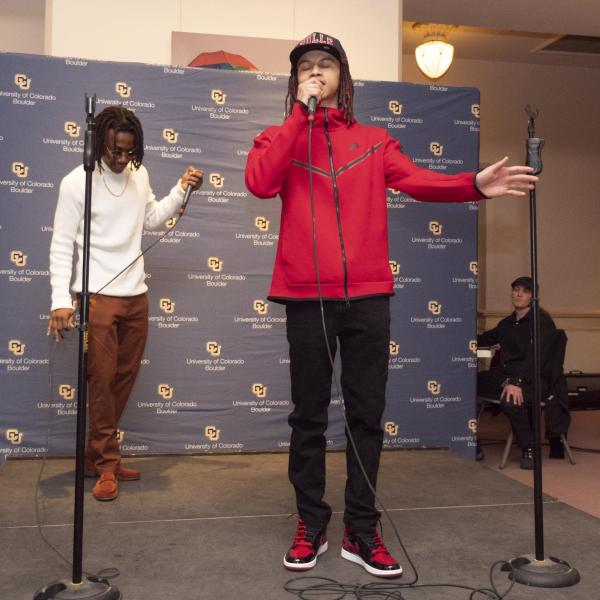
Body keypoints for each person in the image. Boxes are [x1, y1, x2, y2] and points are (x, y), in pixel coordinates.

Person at [245, 31, 538, 578]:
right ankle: (311, 524)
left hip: (368, 299)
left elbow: (420, 181)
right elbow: (260, 184)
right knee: (307, 416)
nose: (315, 71)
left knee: (365, 417)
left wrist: (474, 184)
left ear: (343, 78)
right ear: (294, 81)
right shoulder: (275, 137)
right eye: (305, 66)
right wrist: (299, 119)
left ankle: (361, 529)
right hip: (306, 297)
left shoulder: (374, 140)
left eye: (325, 64)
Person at [47, 105, 203, 501]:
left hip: (136, 294)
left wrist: (181, 189)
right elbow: (62, 243)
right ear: (100, 142)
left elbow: (150, 218)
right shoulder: (75, 182)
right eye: (115, 150)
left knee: (122, 379)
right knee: (100, 381)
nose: (122, 159)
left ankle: (95, 455)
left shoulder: (139, 173)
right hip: (96, 295)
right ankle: (106, 464)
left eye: (129, 152)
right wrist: (60, 301)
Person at [477, 276, 570, 469]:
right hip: (507, 378)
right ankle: (471, 439)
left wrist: (517, 381)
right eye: (516, 289)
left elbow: (536, 358)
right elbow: (484, 339)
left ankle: (529, 447)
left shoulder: (542, 323)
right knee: (471, 381)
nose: (519, 294)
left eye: (525, 291)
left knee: (511, 401)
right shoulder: (507, 323)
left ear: (533, 297)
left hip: (536, 379)